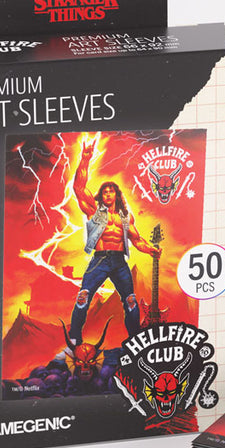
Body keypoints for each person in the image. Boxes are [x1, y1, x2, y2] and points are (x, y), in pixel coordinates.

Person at [68, 139, 160, 343]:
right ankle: (74, 340)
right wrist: (85, 159)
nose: (108, 194)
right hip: (100, 260)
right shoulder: (94, 210)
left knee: (130, 300)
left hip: (119, 262)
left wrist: (151, 250)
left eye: (111, 191)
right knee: (84, 296)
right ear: (101, 195)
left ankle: (135, 341)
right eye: (105, 191)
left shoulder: (125, 217)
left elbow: (137, 240)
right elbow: (79, 188)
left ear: (117, 195)